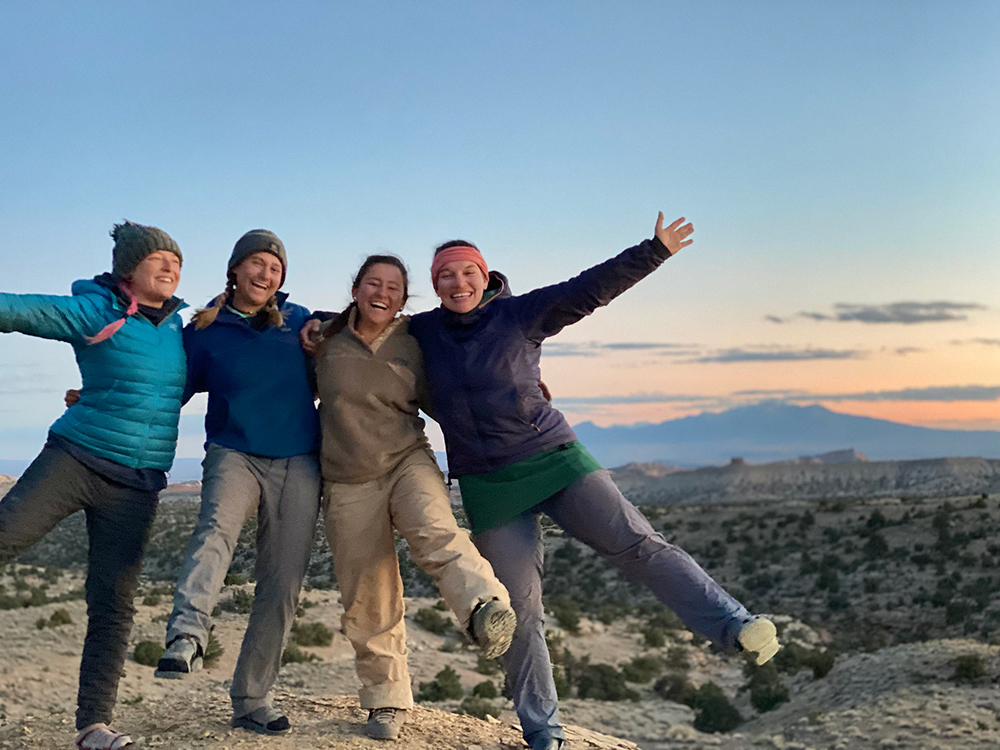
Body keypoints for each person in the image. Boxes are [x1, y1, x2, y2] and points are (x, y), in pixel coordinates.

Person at [406, 213, 781, 750]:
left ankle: (735, 624)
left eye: (467, 272)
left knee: (637, 545)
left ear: (485, 277)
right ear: (436, 284)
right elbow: (360, 327)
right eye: (446, 276)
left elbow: (588, 290)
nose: (457, 283)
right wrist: (299, 323)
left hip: (554, 459)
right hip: (490, 486)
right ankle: (543, 731)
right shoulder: (422, 332)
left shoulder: (519, 315)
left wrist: (653, 251)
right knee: (516, 610)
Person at [310, 255, 516, 741]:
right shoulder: (324, 343)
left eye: (394, 287)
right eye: (373, 283)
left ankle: (485, 608)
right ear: (357, 288)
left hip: (407, 460)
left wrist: (515, 393)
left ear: (405, 299)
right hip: (347, 479)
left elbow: (457, 388)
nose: (382, 293)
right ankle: (386, 701)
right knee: (368, 593)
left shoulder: (415, 341)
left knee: (435, 530)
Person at [0, 221, 186, 750]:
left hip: (138, 482)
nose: (171, 267)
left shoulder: (181, 328)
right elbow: (21, 310)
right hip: (76, 459)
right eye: (159, 259)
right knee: (6, 533)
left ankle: (94, 727)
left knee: (113, 602)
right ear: (131, 269)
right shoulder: (97, 310)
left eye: (176, 261)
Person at [153, 230, 322, 736]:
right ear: (235, 269)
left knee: (282, 581)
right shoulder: (204, 330)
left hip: (299, 460)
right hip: (234, 452)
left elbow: (350, 350)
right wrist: (103, 397)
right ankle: (186, 635)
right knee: (216, 532)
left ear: (282, 279)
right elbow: (166, 388)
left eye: (274, 267)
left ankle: (252, 698)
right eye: (256, 263)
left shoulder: (299, 322)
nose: (265, 274)